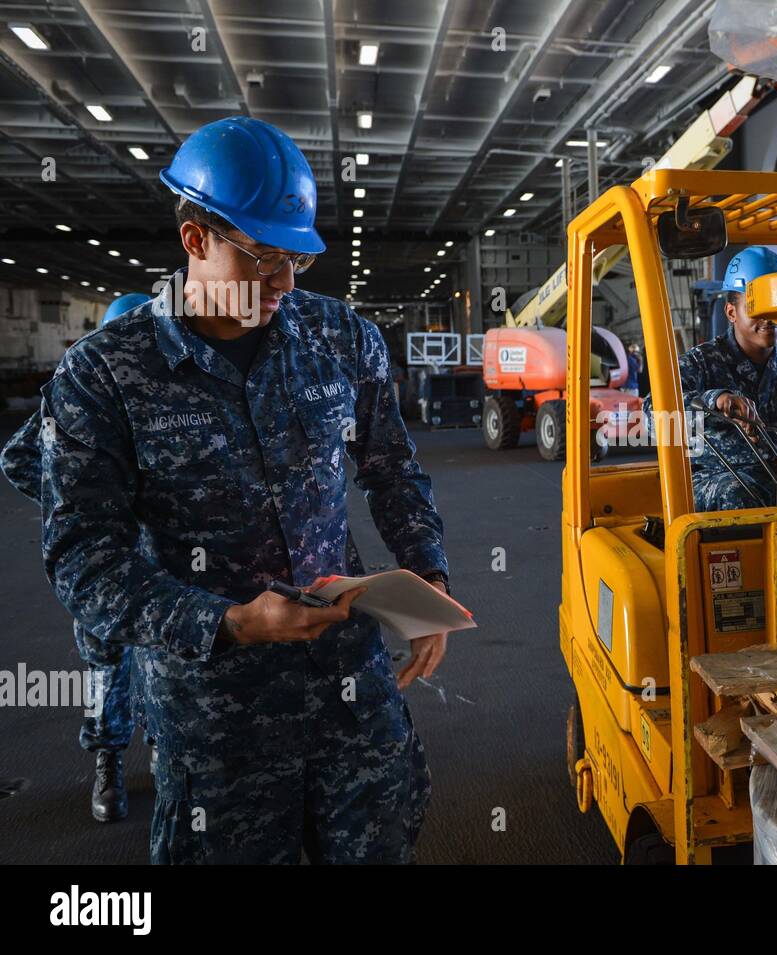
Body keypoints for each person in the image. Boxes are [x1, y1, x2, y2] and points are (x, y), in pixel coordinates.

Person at [38, 116, 450, 864]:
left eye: (295, 259)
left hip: (352, 699)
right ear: (196, 239)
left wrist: (427, 583)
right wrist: (227, 620)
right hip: (220, 725)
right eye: (263, 258)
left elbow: (391, 467)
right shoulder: (105, 375)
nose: (286, 283)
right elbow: (82, 559)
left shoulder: (341, 338)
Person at [2, 292, 152, 822]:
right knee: (105, 665)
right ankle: (108, 763)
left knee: (168, 657)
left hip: (162, 560)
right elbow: (18, 457)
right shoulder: (80, 390)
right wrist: (78, 503)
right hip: (104, 563)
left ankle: (161, 747)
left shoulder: (167, 389)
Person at [647, 247, 777, 511]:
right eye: (757, 308)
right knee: (738, 496)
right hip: (718, 479)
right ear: (731, 313)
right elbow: (653, 414)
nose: (770, 319)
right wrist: (716, 400)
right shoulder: (702, 361)